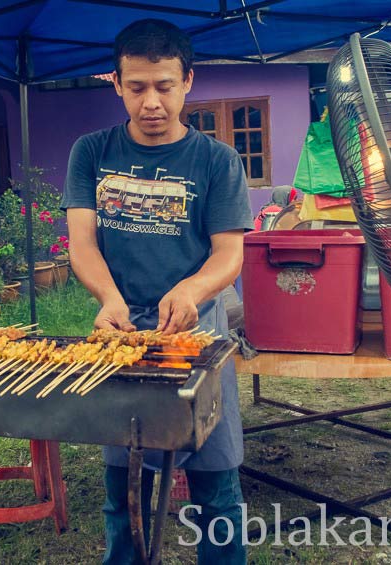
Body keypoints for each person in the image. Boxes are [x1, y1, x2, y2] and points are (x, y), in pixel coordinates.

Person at [62, 18, 252, 564]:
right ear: (116, 84)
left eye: (164, 86)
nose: (151, 102)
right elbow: (83, 244)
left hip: (198, 337)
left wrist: (192, 288)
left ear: (187, 81)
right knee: (124, 491)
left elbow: (228, 254)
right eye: (137, 86)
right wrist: (109, 299)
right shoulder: (91, 152)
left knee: (217, 488)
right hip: (120, 339)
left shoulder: (217, 160)